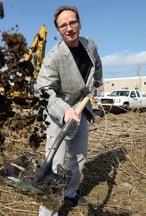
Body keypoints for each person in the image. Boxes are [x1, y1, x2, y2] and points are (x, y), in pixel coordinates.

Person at [36, 6, 103, 215]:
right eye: (63, 25)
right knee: (54, 165)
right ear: (58, 30)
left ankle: (71, 191)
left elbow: (97, 63)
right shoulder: (54, 57)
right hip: (58, 115)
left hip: (81, 109)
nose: (69, 28)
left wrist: (97, 81)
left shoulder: (89, 44)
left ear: (79, 23)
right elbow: (43, 91)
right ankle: (48, 212)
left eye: (72, 22)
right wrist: (64, 111)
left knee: (80, 157)